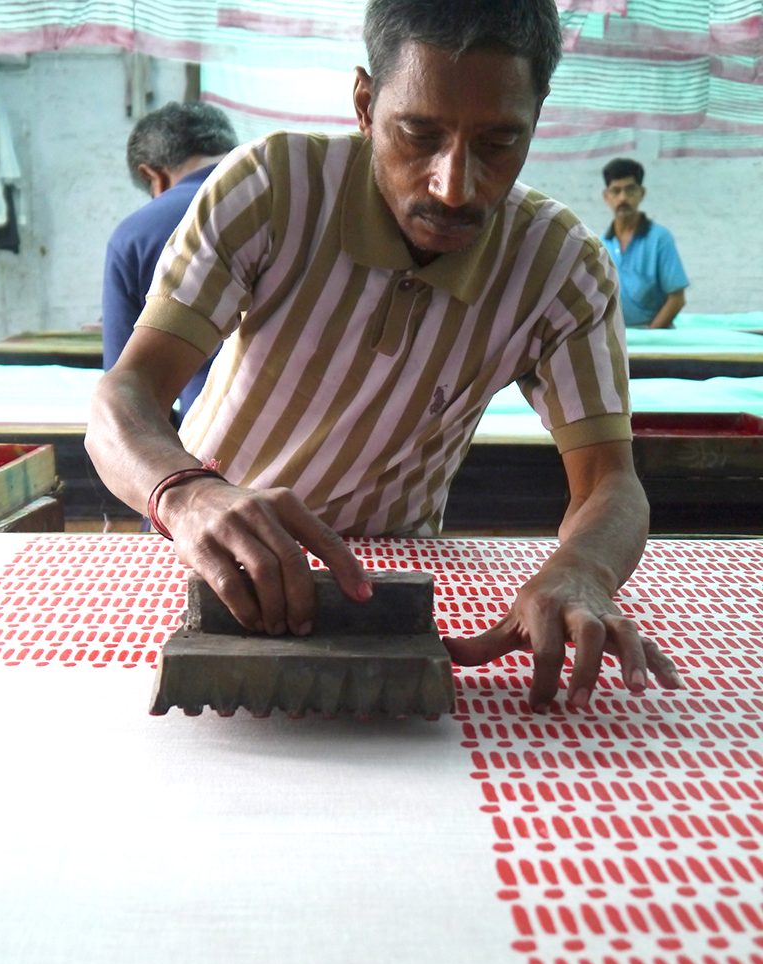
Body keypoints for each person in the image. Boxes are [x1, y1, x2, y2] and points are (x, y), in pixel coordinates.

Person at [86, 0, 682, 713]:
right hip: (209, 552)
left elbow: (611, 484)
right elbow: (123, 398)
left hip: (391, 577)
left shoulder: (561, 268)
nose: (454, 186)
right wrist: (187, 494)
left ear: (537, 114)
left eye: (498, 143)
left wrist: (582, 567)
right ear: (365, 104)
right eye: (418, 133)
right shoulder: (274, 189)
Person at [101, 101, 238, 418]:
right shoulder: (300, 196)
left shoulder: (135, 235)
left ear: (153, 176)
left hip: (216, 443)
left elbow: (127, 393)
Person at [601, 157, 688, 329]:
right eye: (616, 191)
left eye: (630, 190)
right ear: (606, 196)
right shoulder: (602, 246)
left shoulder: (659, 239)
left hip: (654, 342)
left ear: (642, 193)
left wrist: (649, 336)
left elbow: (677, 299)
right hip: (616, 342)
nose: (623, 198)